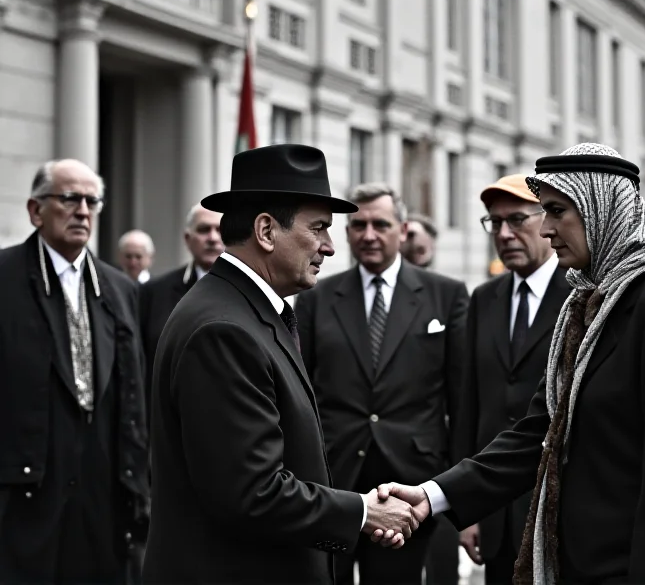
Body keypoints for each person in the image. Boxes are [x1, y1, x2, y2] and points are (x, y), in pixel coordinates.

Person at [375, 143, 645, 585]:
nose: (545, 229)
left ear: (601, 210)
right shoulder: (586, 303)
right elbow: (540, 431)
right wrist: (432, 495)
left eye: (556, 211)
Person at [142, 145, 419, 585]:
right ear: (267, 231)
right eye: (319, 229)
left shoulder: (243, 311)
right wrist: (363, 511)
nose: (330, 246)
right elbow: (252, 492)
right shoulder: (224, 328)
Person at [294, 182, 469, 585]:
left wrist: (456, 490)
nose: (368, 235)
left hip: (411, 482)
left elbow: (460, 399)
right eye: (359, 225)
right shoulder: (318, 297)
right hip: (334, 480)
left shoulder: (447, 296)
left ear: (402, 230)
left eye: (380, 224)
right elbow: (303, 391)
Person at [0, 159, 149, 583]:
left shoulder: (119, 288)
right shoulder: (5, 278)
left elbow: (133, 395)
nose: (83, 210)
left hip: (102, 499)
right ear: (35, 210)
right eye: (69, 199)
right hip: (23, 499)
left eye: (92, 201)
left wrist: (138, 487)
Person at [455, 173, 571, 584]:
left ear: (546, 219)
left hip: (557, 509)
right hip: (495, 513)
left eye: (517, 219)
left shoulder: (578, 296)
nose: (504, 234)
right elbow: (469, 405)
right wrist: (466, 508)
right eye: (494, 223)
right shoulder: (484, 298)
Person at [138, 203, 223, 413]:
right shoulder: (155, 292)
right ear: (187, 239)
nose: (212, 237)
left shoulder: (251, 293)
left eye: (220, 230)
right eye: (204, 230)